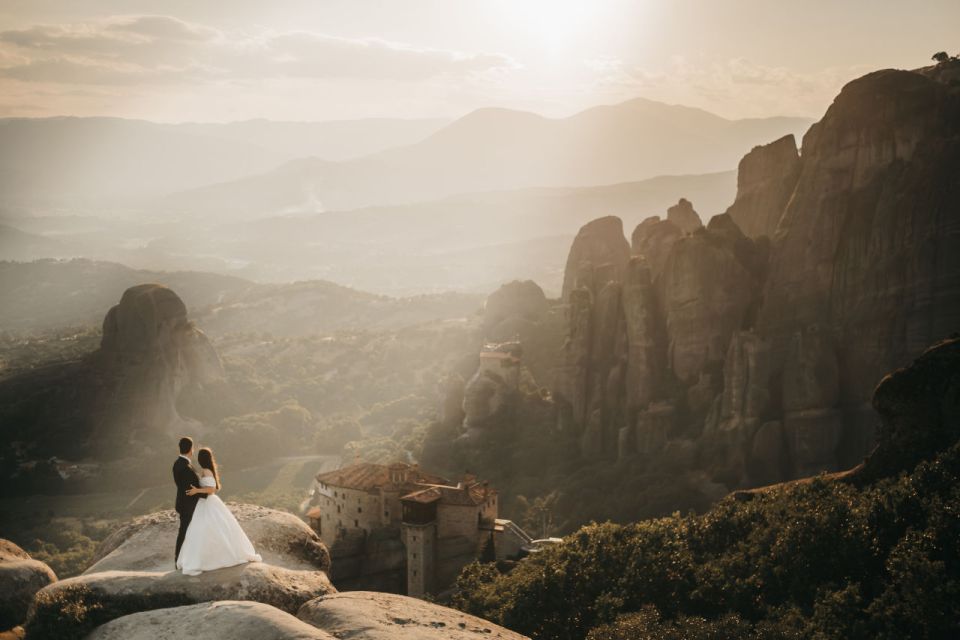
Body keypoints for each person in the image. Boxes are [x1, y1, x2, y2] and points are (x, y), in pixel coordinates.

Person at [175, 446, 262, 576]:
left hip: (209, 503)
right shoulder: (206, 470)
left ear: (201, 459)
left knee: (211, 530)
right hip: (204, 504)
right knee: (203, 530)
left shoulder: (207, 471)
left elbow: (212, 489)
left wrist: (197, 490)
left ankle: (214, 558)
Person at [172, 436, 203, 564]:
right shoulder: (185, 467)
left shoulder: (178, 463)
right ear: (191, 449)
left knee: (185, 531)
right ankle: (179, 560)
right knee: (184, 531)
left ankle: (183, 558)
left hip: (183, 502)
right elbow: (190, 488)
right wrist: (206, 493)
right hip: (188, 505)